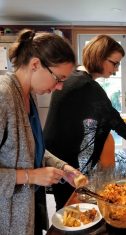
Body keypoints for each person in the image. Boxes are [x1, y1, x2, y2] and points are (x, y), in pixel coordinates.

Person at [43, 34, 126, 210]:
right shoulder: (87, 86)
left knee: (64, 207)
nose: (116, 69)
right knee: (69, 210)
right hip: (65, 163)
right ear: (100, 57)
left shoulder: (72, 77)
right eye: (114, 63)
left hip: (53, 157)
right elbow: (117, 124)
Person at [0, 29, 82, 235]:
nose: (60, 87)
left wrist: (63, 168)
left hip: (29, 212)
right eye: (58, 78)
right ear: (35, 64)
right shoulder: (3, 96)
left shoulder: (29, 95)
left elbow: (31, 148)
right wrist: (31, 176)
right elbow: (28, 171)